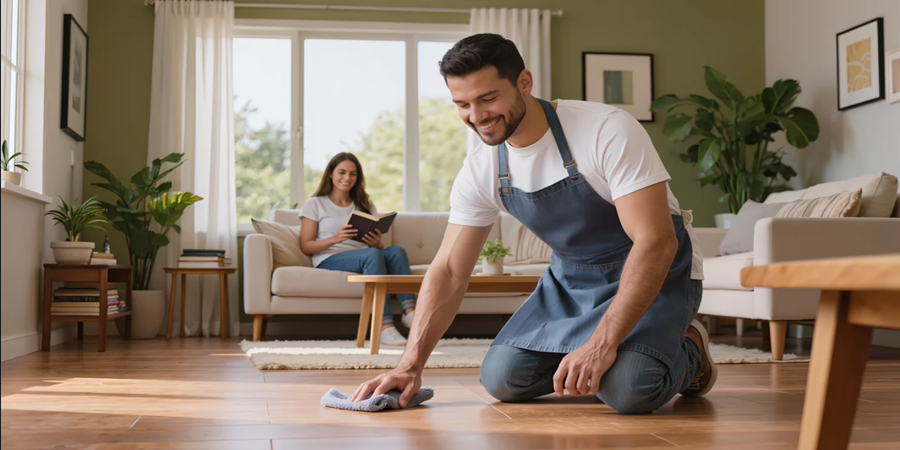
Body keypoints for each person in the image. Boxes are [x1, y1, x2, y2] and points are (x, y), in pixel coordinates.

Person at [348, 33, 717, 414]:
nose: (476, 117)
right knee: (503, 379)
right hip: (573, 281)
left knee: (629, 390)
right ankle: (618, 351)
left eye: (488, 99)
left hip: (656, 271)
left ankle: (689, 348)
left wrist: (602, 344)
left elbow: (655, 241)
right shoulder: (482, 167)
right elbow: (449, 270)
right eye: (462, 104)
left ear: (524, 82)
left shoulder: (606, 129)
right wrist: (409, 366)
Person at [299, 152, 416, 346]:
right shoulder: (315, 203)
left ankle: (409, 312)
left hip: (366, 254)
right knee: (371, 255)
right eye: (342, 172)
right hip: (330, 257)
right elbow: (306, 246)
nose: (347, 178)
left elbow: (377, 248)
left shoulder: (365, 204)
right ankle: (384, 326)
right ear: (330, 173)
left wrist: (377, 242)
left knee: (396, 251)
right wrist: (335, 238)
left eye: (353, 174)